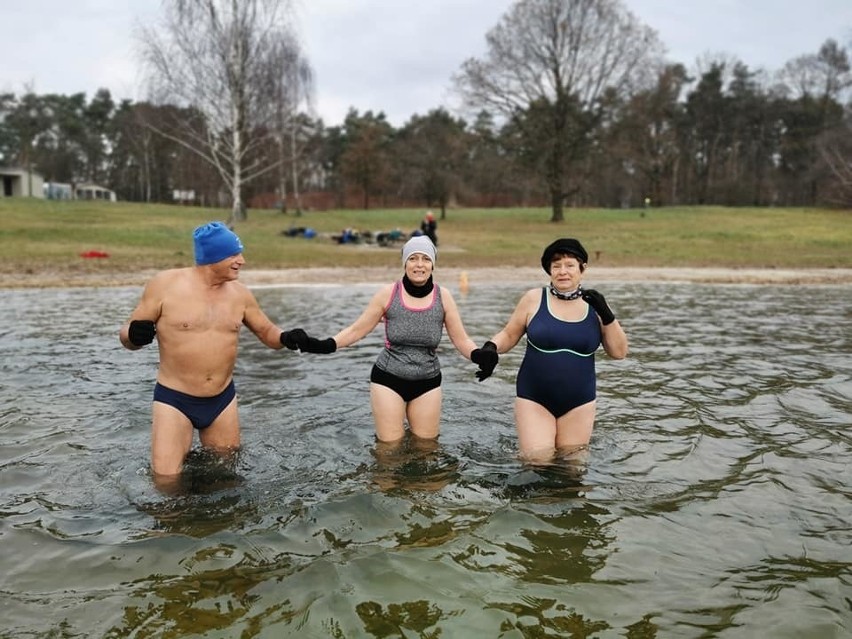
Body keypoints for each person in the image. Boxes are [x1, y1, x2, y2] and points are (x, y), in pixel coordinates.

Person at [119, 221, 305, 489]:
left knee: (224, 478)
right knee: (166, 483)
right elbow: (126, 336)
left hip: (222, 400)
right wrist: (133, 335)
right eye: (234, 255)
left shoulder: (240, 294)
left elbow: (267, 332)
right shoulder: (164, 285)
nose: (242, 261)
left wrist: (287, 338)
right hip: (175, 400)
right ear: (213, 258)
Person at [288, 235, 498, 443]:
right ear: (404, 263)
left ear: (433, 265)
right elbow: (356, 331)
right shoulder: (388, 294)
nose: (419, 265)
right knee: (389, 450)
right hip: (388, 380)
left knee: (427, 449)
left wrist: (480, 356)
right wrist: (319, 345)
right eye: (413, 258)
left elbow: (461, 340)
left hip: (428, 382)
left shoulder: (444, 297)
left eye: (425, 259)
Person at [474, 238, 628, 463]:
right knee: (537, 463)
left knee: (572, 471)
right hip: (534, 398)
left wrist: (607, 314)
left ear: (582, 268)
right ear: (549, 270)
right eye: (556, 266)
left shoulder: (597, 306)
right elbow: (509, 334)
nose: (562, 271)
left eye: (569, 265)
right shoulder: (534, 299)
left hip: (580, 403)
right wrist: (491, 348)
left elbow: (619, 352)